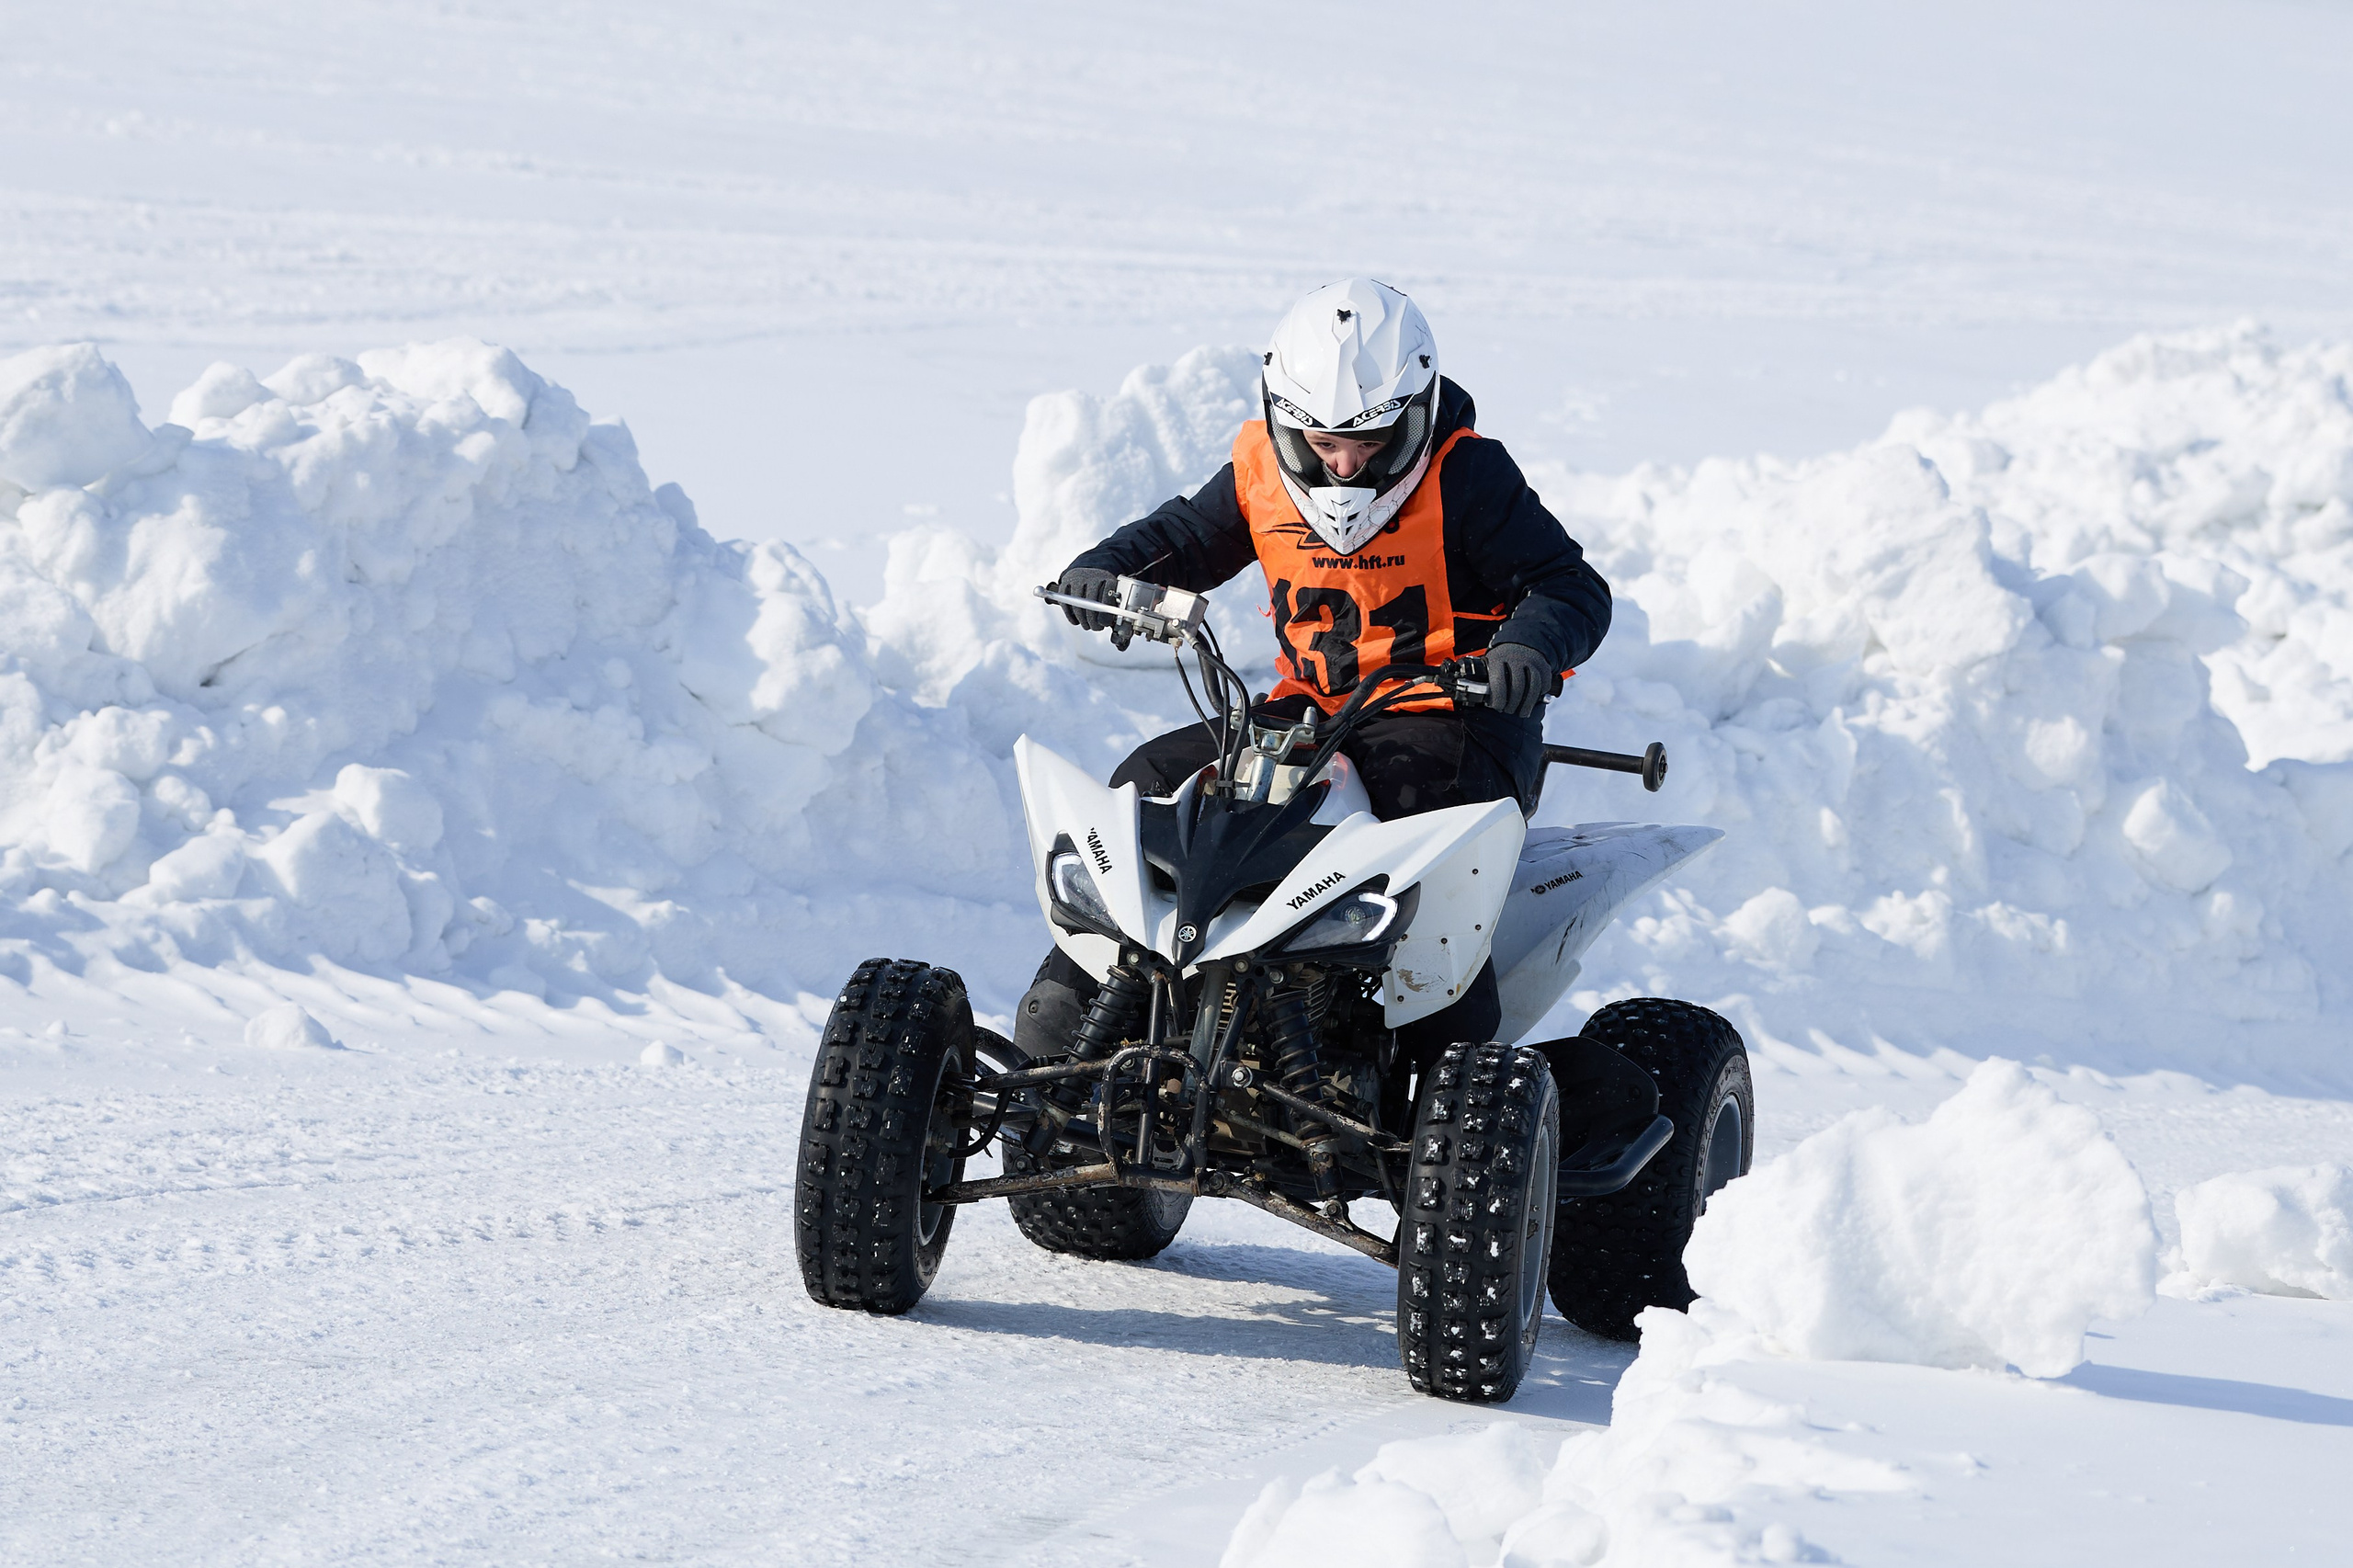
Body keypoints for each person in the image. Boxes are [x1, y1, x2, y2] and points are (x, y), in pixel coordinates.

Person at [1023, 277, 1611, 1072]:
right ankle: (1077, 1016)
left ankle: (1449, 1062)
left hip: (1452, 718)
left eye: (1373, 444)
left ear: (1420, 413)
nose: (1344, 467)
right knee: (1146, 789)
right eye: (1322, 444)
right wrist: (1107, 570)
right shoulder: (1261, 471)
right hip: (1303, 716)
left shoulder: (1467, 475)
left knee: (1418, 830)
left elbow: (1569, 586)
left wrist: (1528, 651)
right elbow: (1186, 538)